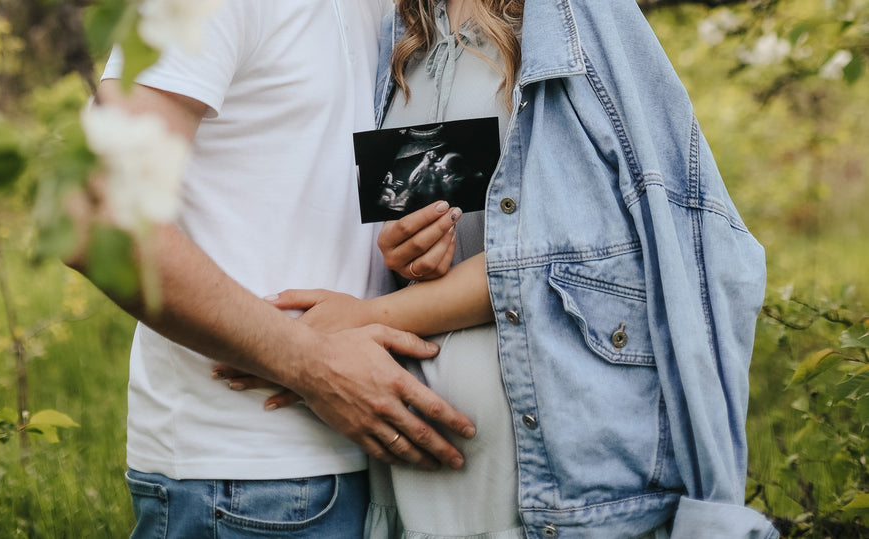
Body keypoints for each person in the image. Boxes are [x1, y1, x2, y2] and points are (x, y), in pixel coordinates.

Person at [236, 0, 780, 536]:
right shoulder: (400, 34)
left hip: (554, 496)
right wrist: (405, 258)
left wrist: (353, 324)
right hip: (416, 499)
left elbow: (586, 246)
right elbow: (464, 228)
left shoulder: (572, 17)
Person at [64, 1, 479, 537]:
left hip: (378, 469)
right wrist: (313, 364)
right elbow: (94, 215)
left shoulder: (389, 8)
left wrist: (413, 250)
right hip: (245, 481)